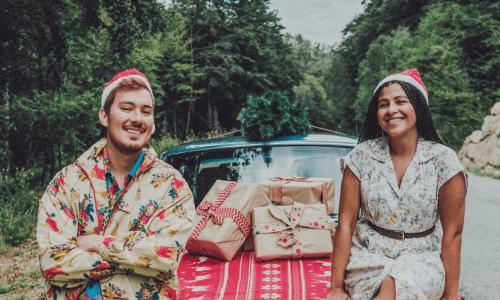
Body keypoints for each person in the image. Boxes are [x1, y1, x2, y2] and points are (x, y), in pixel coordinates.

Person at [37, 69, 195, 300]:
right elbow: (53, 263)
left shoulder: (172, 186)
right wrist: (138, 259)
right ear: (104, 116)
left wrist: (96, 243)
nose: (137, 118)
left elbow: (166, 258)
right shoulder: (66, 183)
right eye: (127, 108)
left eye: (146, 111)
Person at [326, 69, 467, 300]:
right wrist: (336, 288)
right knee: (383, 285)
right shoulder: (361, 157)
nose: (391, 110)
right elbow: (346, 223)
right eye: (383, 104)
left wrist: (450, 296)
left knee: (393, 286)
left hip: (421, 259)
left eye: (400, 101)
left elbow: (453, 232)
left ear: (419, 107)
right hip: (368, 256)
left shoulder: (444, 161)